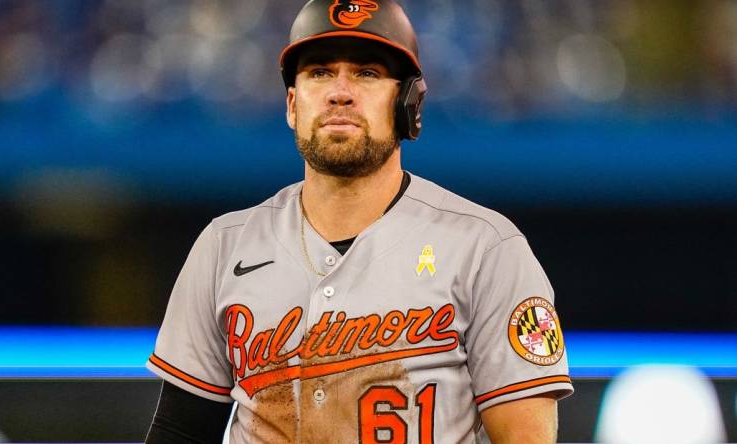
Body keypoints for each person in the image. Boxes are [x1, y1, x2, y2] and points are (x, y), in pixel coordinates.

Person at [145, 0, 573, 442]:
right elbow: (180, 431)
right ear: (293, 105)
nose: (340, 91)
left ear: (408, 104)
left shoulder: (485, 248)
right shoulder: (224, 245)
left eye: (367, 73)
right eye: (319, 73)